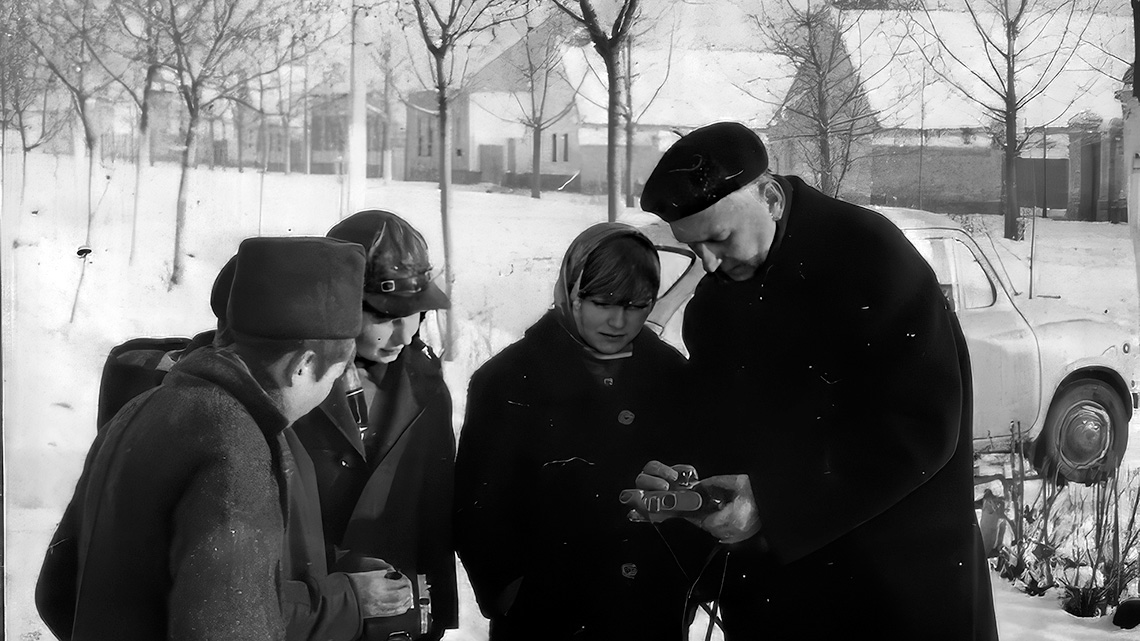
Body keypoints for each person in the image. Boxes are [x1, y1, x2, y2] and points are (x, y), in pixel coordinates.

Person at [627, 121, 999, 640]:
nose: (708, 264)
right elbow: (720, 420)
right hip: (782, 597)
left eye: (719, 238)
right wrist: (692, 480)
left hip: (893, 590)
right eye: (695, 249)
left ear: (771, 197)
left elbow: (920, 429)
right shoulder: (718, 298)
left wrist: (774, 503)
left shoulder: (874, 261)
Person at [34, 236, 399, 640]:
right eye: (334, 374)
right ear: (303, 366)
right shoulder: (235, 446)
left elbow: (56, 593)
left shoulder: (142, 407)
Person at [454, 223, 709, 640]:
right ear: (570, 291)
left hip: (649, 611)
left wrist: (686, 583)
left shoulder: (671, 376)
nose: (618, 320)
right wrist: (508, 591)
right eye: (602, 302)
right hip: (546, 616)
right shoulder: (507, 380)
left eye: (636, 305)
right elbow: (478, 507)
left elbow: (696, 483)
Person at [291, 210, 458, 641]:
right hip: (315, 609)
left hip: (396, 617)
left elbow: (434, 510)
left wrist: (434, 616)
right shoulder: (292, 383)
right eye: (384, 316)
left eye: (415, 313)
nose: (403, 334)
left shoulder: (426, 386)